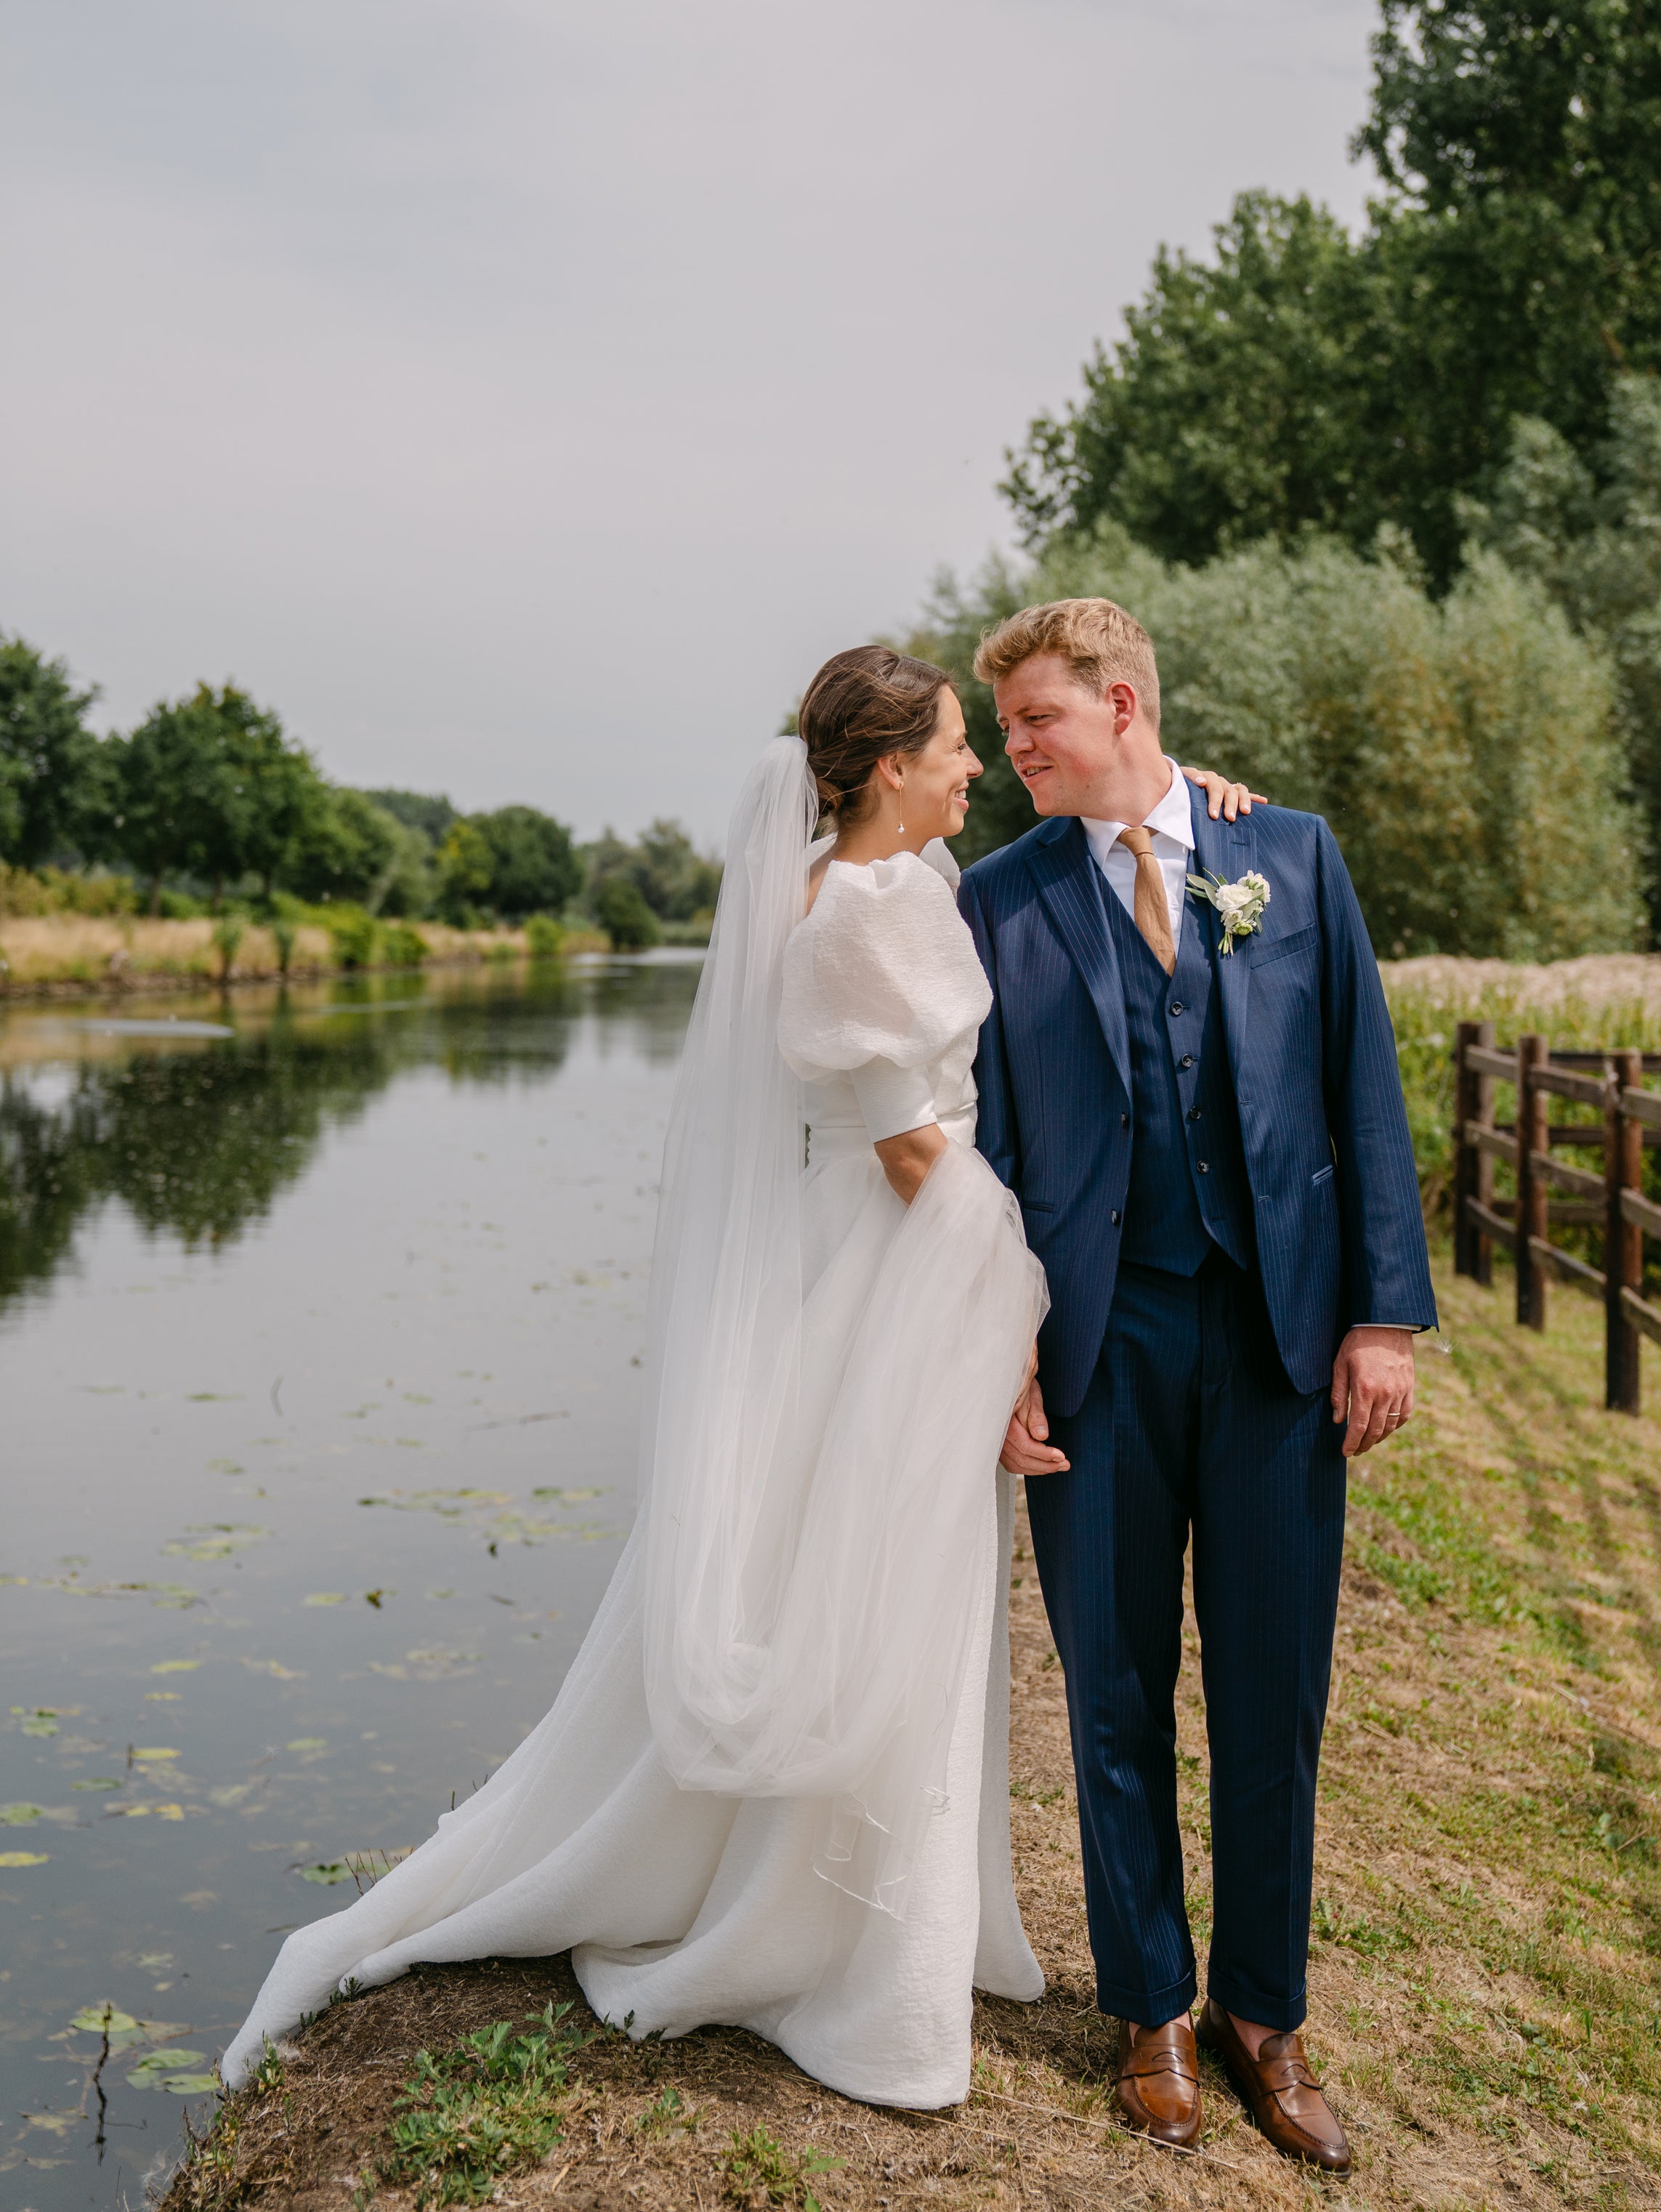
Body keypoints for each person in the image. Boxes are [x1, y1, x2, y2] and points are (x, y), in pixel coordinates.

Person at [220, 645, 1253, 2110]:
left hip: (925, 1258)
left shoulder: (919, 883)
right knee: (875, 1581)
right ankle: (835, 1940)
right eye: (959, 746)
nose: (977, 768)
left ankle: (912, 1919)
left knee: (915, 1586)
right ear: (887, 769)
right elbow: (911, 1153)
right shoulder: (839, 919)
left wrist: (1197, 802)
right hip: (894, 1270)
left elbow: (1087, 872)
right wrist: (1015, 1309)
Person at [958, 598, 1435, 2172]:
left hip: (1282, 1342)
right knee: (1109, 1687)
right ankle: (1150, 2002)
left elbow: (1360, 1077)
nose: (1016, 748)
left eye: (1037, 718)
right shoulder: (999, 898)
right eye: (1006, 726)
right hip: (1100, 1343)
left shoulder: (1286, 856)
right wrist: (1002, 1341)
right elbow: (986, 1142)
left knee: (1273, 1696)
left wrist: (1383, 1318)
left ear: (1122, 700)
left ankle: (1264, 2015)